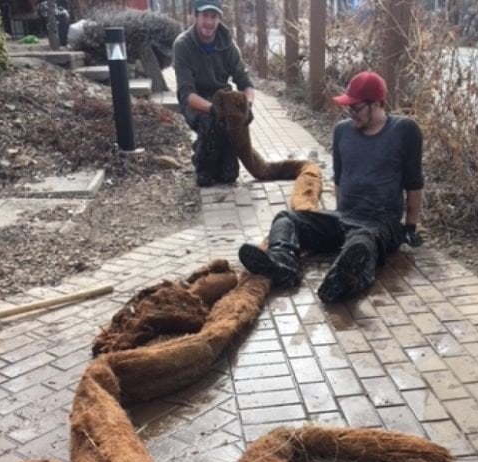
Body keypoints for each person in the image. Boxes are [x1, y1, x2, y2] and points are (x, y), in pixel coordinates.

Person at [238, 71, 424, 302]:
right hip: (344, 216)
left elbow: (414, 182)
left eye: (356, 108)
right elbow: (339, 178)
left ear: (377, 104)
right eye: (348, 109)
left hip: (380, 221)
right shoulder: (342, 130)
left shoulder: (405, 130)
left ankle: (345, 279)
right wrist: (337, 220)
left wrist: (410, 228)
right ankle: (283, 264)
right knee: (286, 218)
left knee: (362, 243)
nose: (350, 114)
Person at [173, 0, 255, 187]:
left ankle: (211, 149)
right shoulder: (182, 45)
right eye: (205, 16)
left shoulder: (228, 44)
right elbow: (187, 94)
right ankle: (202, 161)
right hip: (196, 101)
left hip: (222, 97)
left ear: (219, 18)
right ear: (195, 16)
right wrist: (214, 110)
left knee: (228, 176)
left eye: (214, 16)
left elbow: (245, 83)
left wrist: (247, 105)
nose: (209, 22)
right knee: (207, 177)